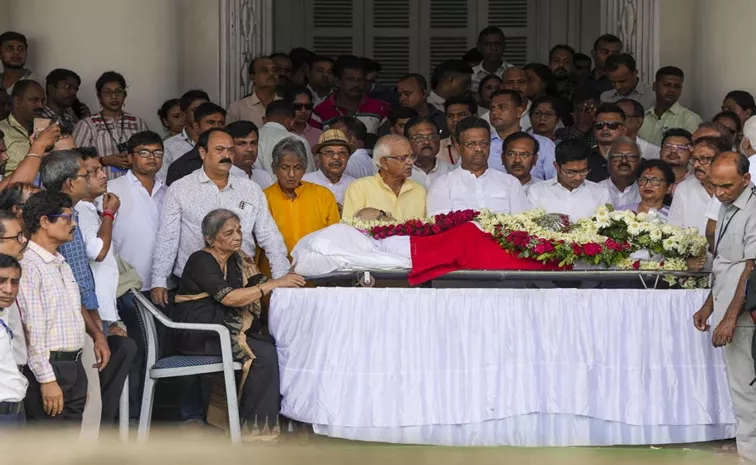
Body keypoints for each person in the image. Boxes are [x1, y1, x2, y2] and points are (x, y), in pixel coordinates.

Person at [172, 209, 305, 438]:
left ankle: (262, 422)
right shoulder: (201, 259)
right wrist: (273, 285)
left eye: (239, 230)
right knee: (263, 353)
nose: (238, 236)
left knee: (275, 343)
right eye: (229, 233)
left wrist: (288, 278)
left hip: (225, 331)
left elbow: (259, 283)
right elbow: (230, 298)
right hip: (200, 334)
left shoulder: (237, 258)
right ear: (210, 239)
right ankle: (254, 430)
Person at [151, 128, 290, 308]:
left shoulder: (250, 189)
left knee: (245, 334)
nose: (226, 155)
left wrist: (281, 277)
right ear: (202, 153)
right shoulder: (180, 189)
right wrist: (159, 280)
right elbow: (167, 238)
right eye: (219, 149)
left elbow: (269, 236)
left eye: (230, 150)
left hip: (242, 282)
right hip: (196, 286)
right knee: (205, 334)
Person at [693, 151, 756, 464]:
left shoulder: (755, 208)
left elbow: (751, 268)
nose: (718, 193)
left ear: (746, 179)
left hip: (746, 315)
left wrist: (729, 319)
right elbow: (723, 264)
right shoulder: (727, 205)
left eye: (726, 186)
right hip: (728, 305)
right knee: (743, 390)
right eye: (714, 186)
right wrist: (709, 305)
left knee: (746, 392)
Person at [74, 152, 137, 424]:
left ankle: (104, 432)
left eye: (101, 169)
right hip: (93, 312)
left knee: (122, 352)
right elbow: (97, 252)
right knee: (97, 379)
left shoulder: (90, 209)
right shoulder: (79, 212)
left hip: (103, 310)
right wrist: (110, 214)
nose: (103, 175)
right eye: (93, 171)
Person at [18, 191, 88, 423]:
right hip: (49, 368)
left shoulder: (61, 263)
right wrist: (47, 380)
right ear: (44, 221)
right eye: (67, 218)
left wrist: (77, 376)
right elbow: (33, 328)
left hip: (73, 366)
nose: (74, 223)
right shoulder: (29, 265)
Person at [428, 116, 530, 215]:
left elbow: (522, 225)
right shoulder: (443, 185)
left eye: (483, 143)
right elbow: (441, 227)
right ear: (458, 147)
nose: (479, 149)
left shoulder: (510, 183)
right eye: (471, 144)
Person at [264, 138, 340, 255]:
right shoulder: (263, 198)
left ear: (304, 169)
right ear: (274, 168)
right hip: (274, 270)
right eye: (285, 167)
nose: (291, 174)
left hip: (315, 269)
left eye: (297, 168)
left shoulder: (324, 195)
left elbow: (334, 238)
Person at [73, 71, 149, 180]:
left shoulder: (138, 123)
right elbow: (75, 160)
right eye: (107, 92)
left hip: (135, 186)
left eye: (118, 92)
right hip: (100, 188)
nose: (113, 96)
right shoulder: (88, 125)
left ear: (124, 95)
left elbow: (148, 154)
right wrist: (104, 160)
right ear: (99, 97)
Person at [342, 134, 426, 221]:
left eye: (412, 157)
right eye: (403, 158)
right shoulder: (359, 188)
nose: (411, 162)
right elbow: (350, 229)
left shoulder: (419, 190)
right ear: (384, 162)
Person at [527, 138, 611, 223]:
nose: (578, 177)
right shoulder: (537, 192)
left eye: (583, 171)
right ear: (556, 166)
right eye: (571, 172)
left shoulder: (600, 193)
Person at [311, 56, 390, 142]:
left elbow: (385, 144)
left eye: (360, 80)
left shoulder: (377, 108)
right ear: (338, 82)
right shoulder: (320, 111)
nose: (356, 84)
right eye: (351, 79)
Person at [487, 90, 556, 180]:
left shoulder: (544, 145)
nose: (494, 112)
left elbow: (555, 182)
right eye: (492, 108)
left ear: (519, 111)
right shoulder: (482, 145)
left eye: (502, 107)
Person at [668, 136, 730, 236]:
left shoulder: (738, 188)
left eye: (703, 159)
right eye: (694, 159)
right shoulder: (684, 189)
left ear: (722, 160)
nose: (696, 165)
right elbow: (674, 232)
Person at [165, 102, 227, 186]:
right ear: (196, 126)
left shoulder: (235, 160)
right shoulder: (180, 167)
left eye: (221, 123)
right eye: (210, 122)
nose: (217, 127)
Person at [637, 66, 702, 145]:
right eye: (667, 85)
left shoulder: (690, 119)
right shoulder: (641, 118)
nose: (672, 90)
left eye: (676, 86)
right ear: (654, 86)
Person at [159, 90, 210, 180]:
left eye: (206, 109)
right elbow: (162, 182)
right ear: (184, 114)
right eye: (195, 110)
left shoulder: (224, 142)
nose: (202, 113)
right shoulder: (168, 146)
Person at [0, 252, 26, 425]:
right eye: (1, 281)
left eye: (14, 282)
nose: (9, 289)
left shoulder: (6, 314)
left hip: (15, 413)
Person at [0, 80, 45, 175]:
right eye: (34, 100)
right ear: (17, 101)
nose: (40, 105)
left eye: (42, 101)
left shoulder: (45, 130)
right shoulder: (1, 130)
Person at [257, 100, 315, 174]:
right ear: (291, 122)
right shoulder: (299, 141)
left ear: (264, 119)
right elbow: (308, 176)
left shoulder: (250, 140)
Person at [302, 129, 356, 207]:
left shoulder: (355, 185)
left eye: (342, 152)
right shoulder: (304, 182)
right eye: (329, 152)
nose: (336, 157)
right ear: (318, 156)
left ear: (348, 157)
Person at [226, 56, 279, 127]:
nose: (271, 74)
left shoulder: (286, 105)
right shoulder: (237, 108)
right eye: (265, 71)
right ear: (252, 77)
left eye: (274, 70)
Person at [405, 117, 453, 189]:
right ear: (407, 142)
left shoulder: (451, 171)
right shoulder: (400, 173)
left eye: (432, 137)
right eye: (419, 138)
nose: (426, 142)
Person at [226, 120, 274, 189]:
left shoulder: (264, 177)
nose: (249, 149)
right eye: (241, 143)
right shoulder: (222, 179)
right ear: (228, 147)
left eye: (253, 143)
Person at [586, 103, 627, 182]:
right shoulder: (583, 158)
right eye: (599, 125)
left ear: (623, 131)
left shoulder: (634, 161)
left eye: (612, 125)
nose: (605, 128)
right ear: (594, 129)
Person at [599, 136, 642, 208]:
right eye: (617, 156)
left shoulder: (646, 192)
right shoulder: (596, 190)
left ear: (640, 162)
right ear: (608, 162)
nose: (624, 161)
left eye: (631, 156)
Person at [470, 26, 513, 94]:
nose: (493, 48)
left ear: (504, 46)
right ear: (479, 47)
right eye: (487, 44)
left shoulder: (514, 73)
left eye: (498, 44)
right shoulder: (471, 75)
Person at [438, 93, 477, 165]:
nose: (455, 119)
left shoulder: (486, 146)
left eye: (461, 115)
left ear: (474, 117)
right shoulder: (437, 149)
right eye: (450, 116)